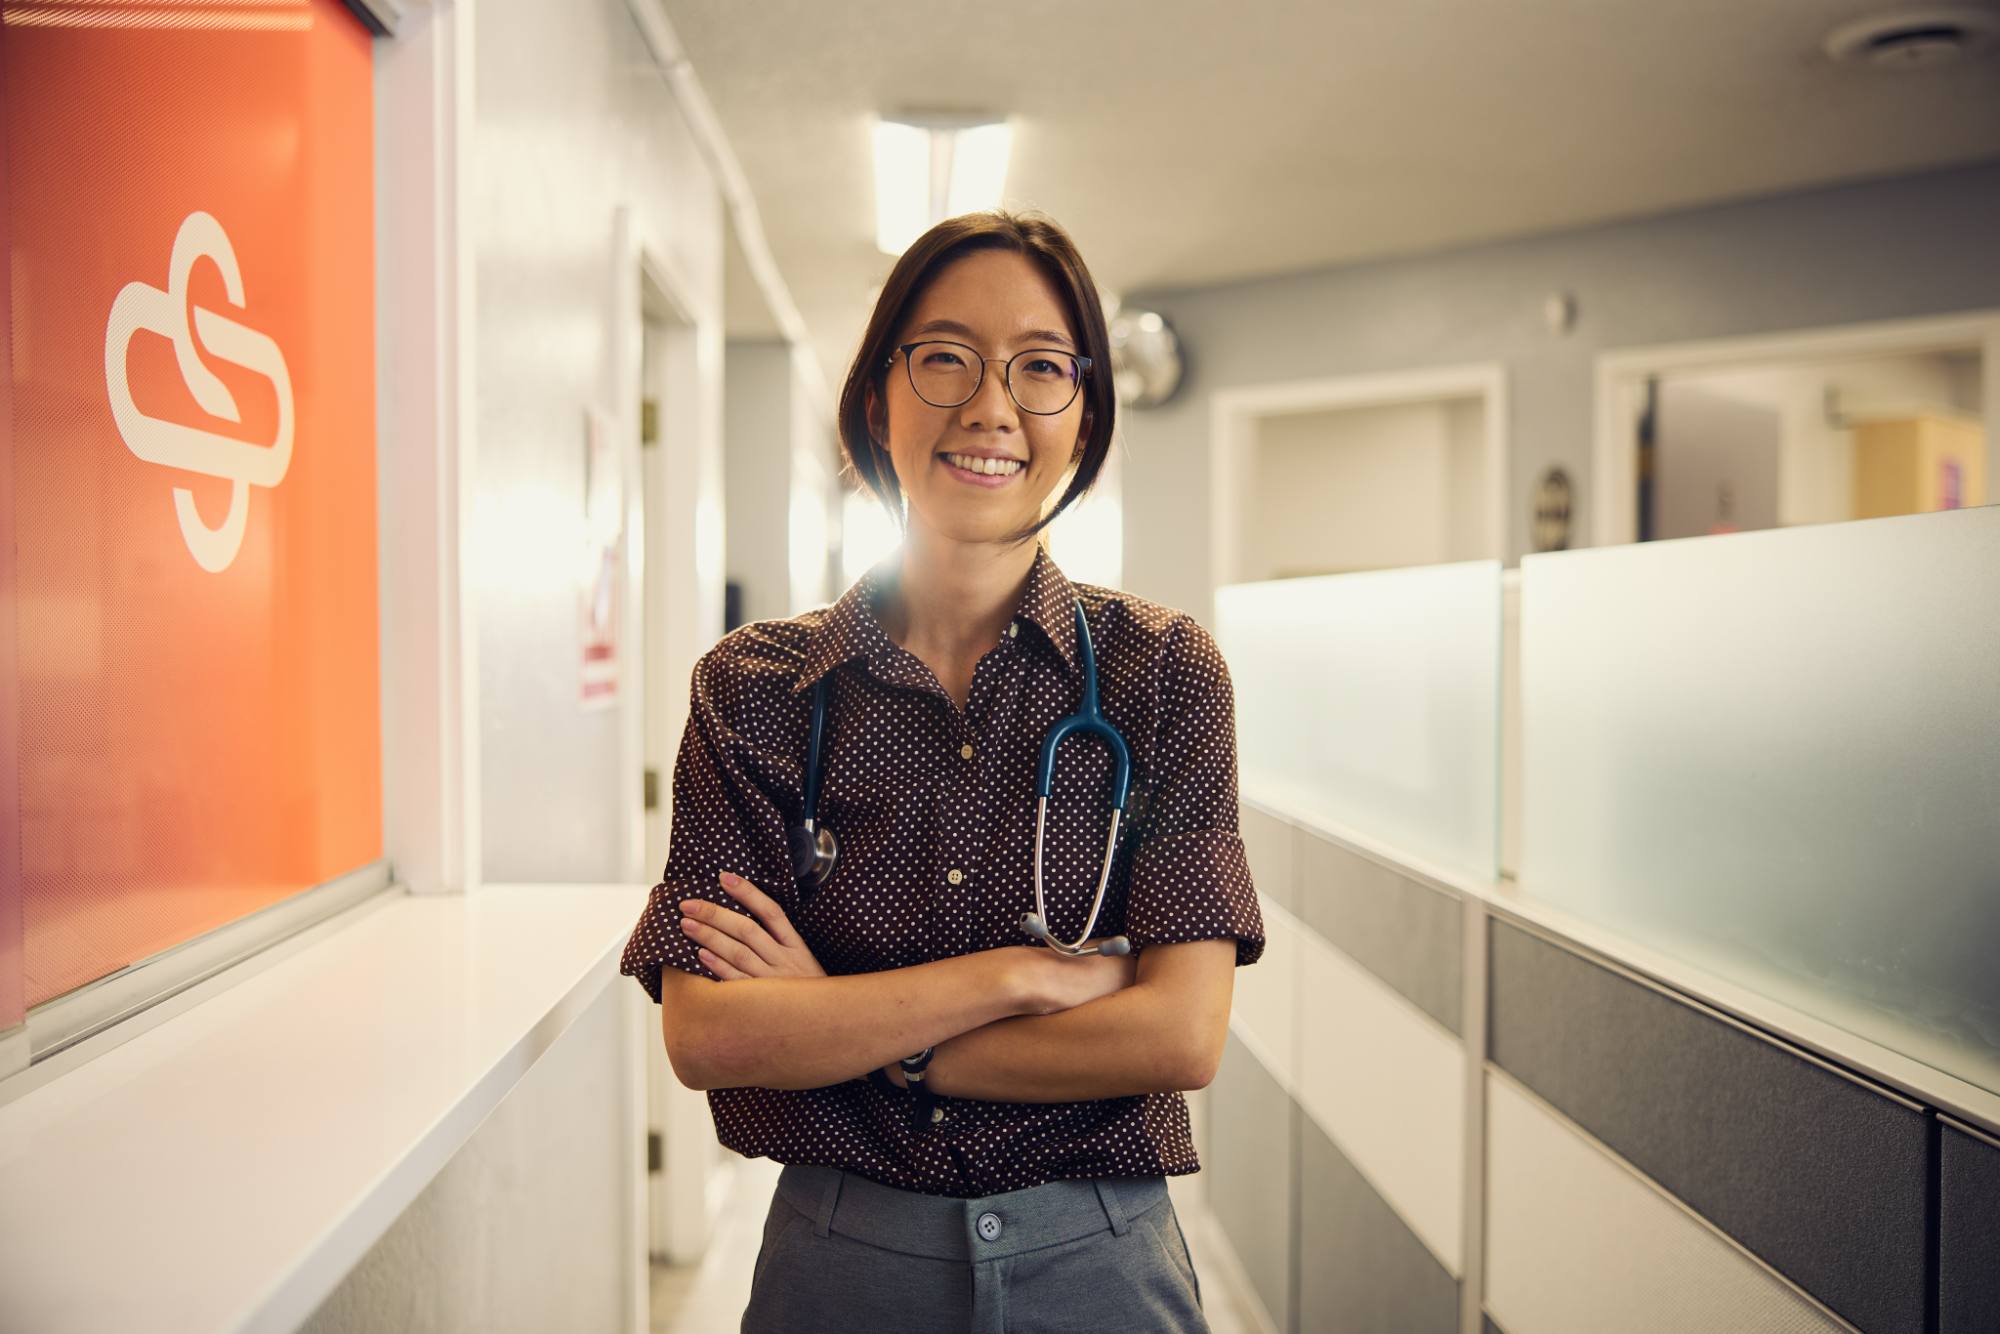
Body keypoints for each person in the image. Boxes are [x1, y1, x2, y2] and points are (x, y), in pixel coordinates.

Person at [619, 209, 1263, 1333]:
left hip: (1099, 1262)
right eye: (945, 357)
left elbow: (1177, 1035)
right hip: (840, 1259)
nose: (990, 407)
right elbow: (709, 1035)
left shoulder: (1162, 676)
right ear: (879, 394)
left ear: (1084, 414)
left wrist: (846, 1024)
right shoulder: (754, 690)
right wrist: (1013, 977)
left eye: (1039, 369)